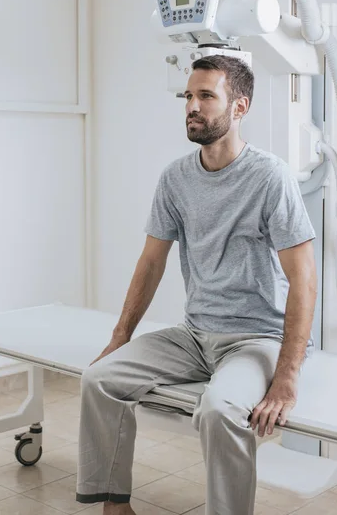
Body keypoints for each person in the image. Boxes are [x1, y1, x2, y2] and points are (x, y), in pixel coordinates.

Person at [76, 55, 318, 515]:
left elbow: (303, 279)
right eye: (189, 96)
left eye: (206, 96)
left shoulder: (270, 177)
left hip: (255, 338)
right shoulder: (175, 178)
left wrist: (286, 376)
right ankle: (114, 506)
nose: (193, 105)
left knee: (219, 409)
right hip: (194, 334)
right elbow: (151, 263)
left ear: (240, 106)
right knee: (99, 379)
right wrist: (119, 339)